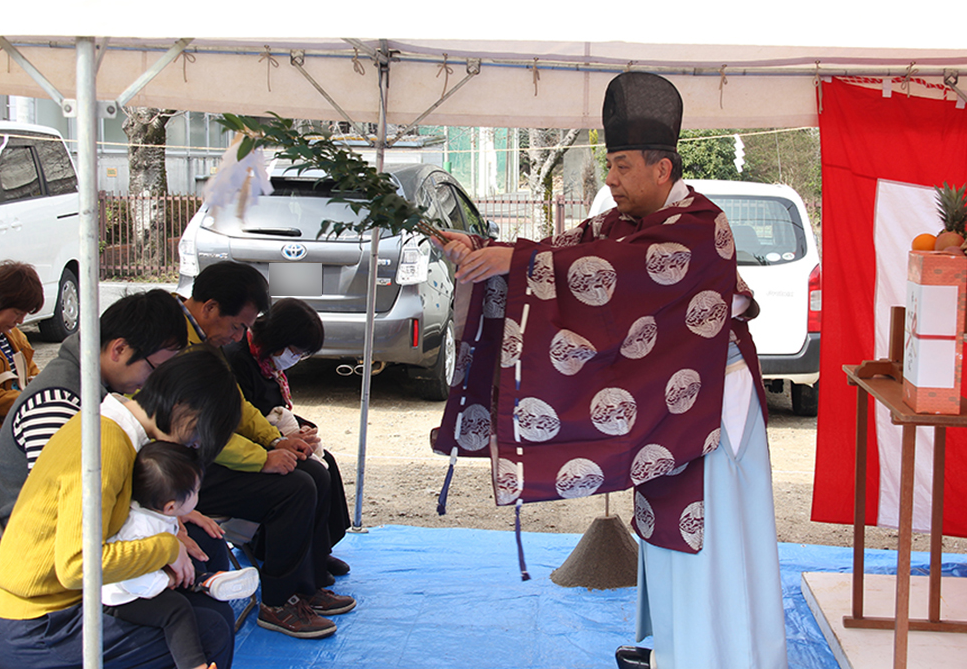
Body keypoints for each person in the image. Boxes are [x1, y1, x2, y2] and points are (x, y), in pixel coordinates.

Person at [433, 72, 788, 669]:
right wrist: (481, 249)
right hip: (670, 405)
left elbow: (617, 268)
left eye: (622, 166)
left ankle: (716, 654)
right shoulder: (619, 225)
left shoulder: (703, 226)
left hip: (711, 407)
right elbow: (563, 250)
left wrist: (516, 262)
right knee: (664, 528)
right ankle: (680, 648)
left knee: (711, 536)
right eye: (610, 165)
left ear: (663, 169)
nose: (611, 180)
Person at [0, 348, 243, 669]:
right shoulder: (106, 445)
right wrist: (166, 547)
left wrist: (176, 522)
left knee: (210, 601)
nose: (193, 447)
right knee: (209, 632)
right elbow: (76, 567)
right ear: (182, 407)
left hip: (63, 602)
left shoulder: (117, 428)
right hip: (36, 622)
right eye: (196, 437)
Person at [176, 261, 355, 639]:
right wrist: (263, 458)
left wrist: (277, 441)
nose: (241, 334)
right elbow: (201, 429)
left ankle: (305, 583)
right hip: (182, 469)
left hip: (205, 456)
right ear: (209, 308)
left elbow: (235, 406)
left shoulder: (205, 344)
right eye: (239, 325)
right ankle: (277, 602)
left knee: (313, 471)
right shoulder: (178, 347)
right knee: (296, 488)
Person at [0, 289, 189, 525]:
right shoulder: (58, 401)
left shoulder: (94, 386)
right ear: (119, 349)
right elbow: (60, 508)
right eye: (154, 369)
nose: (152, 382)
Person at [222, 297, 352, 577]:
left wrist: (301, 430)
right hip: (246, 449)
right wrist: (278, 442)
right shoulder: (235, 361)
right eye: (296, 351)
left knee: (324, 460)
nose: (295, 359)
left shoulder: (270, 365)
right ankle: (299, 563)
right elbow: (242, 419)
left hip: (268, 438)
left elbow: (273, 410)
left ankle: (318, 550)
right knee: (309, 475)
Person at [103, 441, 259, 669]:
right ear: (170, 506)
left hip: (148, 576)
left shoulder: (155, 511)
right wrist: (167, 580)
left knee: (187, 566)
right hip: (124, 597)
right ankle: (194, 665)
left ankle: (205, 580)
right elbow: (133, 581)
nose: (198, 495)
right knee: (177, 610)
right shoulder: (139, 529)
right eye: (195, 492)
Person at [0, 262, 44, 426]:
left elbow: (33, 375)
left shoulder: (15, 336)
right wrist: (34, 401)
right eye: (17, 313)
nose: (21, 321)